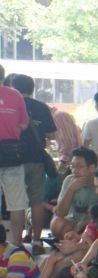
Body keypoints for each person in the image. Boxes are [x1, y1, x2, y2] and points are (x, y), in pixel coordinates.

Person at [11, 73, 53, 252]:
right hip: (37, 159)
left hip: (14, 159)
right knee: (37, 201)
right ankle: (37, 242)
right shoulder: (41, 107)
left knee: (17, 203)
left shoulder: (11, 105)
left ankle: (17, 244)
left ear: (13, 88)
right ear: (32, 88)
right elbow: (52, 134)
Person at [39, 201, 98, 278]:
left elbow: (95, 249)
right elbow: (82, 238)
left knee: (53, 262)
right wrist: (74, 236)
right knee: (49, 259)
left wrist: (87, 241)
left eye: (94, 219)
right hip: (77, 250)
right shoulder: (91, 228)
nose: (91, 222)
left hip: (85, 254)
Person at [0, 66, 31, 248]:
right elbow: (24, 124)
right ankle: (16, 245)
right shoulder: (16, 95)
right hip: (13, 153)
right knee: (16, 202)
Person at [50, 147, 98, 238]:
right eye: (72, 166)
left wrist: (85, 223)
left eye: (79, 166)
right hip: (73, 221)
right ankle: (72, 242)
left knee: (89, 231)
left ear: (92, 168)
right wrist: (71, 189)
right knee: (57, 224)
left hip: (93, 223)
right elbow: (60, 213)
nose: (74, 171)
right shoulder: (69, 180)